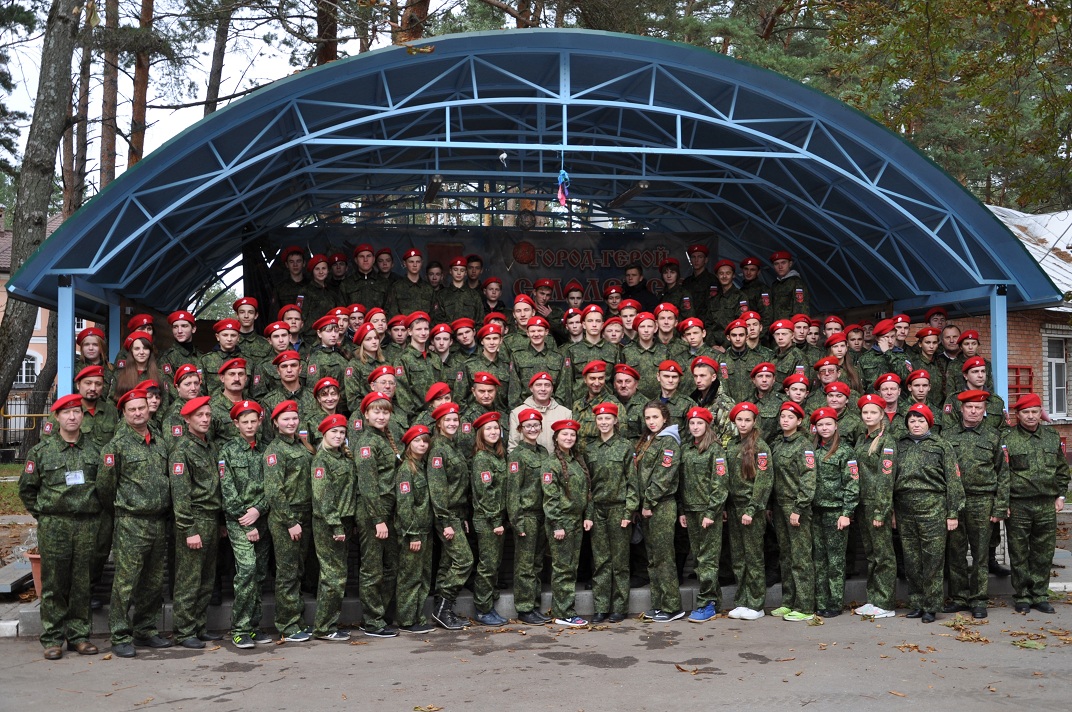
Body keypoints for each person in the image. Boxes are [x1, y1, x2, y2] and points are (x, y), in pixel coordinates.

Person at [20, 394, 102, 659]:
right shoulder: (41, 452)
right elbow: (27, 489)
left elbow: (104, 486)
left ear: (82, 416)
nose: (72, 417)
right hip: (55, 524)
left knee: (82, 582)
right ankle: (53, 638)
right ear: (56, 417)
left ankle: (79, 636)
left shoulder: (95, 449)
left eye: (76, 412)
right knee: (54, 582)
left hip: (87, 524)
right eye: (66, 413)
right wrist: (44, 514)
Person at [98, 389, 173, 658]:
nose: (139, 413)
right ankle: (119, 634)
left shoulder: (159, 441)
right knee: (126, 581)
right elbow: (106, 488)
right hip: (131, 521)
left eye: (142, 408)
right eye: (132, 410)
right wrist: (124, 509)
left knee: (153, 582)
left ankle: (145, 629)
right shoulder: (116, 447)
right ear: (124, 413)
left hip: (158, 521)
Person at [943, 390, 1009, 619]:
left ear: (984, 411)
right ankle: (960, 597)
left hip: (983, 501)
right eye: (969, 407)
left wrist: (1000, 506)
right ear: (961, 409)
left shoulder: (994, 437)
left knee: (981, 553)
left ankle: (979, 599)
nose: (973, 411)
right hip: (955, 501)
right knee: (955, 552)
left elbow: (1003, 473)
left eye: (978, 408)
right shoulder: (948, 436)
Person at [895, 403, 963, 622]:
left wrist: (952, 512)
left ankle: (931, 606)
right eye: (912, 421)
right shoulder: (900, 445)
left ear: (929, 422)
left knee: (932, 560)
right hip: (905, 508)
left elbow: (953, 480)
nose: (916, 424)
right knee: (912, 560)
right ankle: (916, 602)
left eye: (921, 420)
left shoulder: (941, 446)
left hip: (933, 507)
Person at [1004, 393, 1070, 614]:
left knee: (1043, 552)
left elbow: (1062, 470)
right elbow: (1002, 473)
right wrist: (1005, 502)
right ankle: (1022, 595)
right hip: (1019, 503)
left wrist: (1060, 496)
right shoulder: (1008, 439)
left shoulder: (1052, 437)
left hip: (1046, 504)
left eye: (1034, 412)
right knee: (1019, 551)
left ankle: (1040, 595)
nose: (1031, 416)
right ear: (1018, 415)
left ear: (1040, 413)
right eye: (1025, 412)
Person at [218, 400, 273, 648]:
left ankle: (253, 626)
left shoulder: (267, 450)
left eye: (254, 421)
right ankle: (239, 628)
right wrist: (247, 520)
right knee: (248, 569)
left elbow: (273, 487)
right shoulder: (227, 451)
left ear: (260, 421)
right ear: (236, 424)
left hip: (261, 518)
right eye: (245, 422)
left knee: (259, 574)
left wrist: (259, 510)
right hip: (239, 521)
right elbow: (227, 490)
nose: (250, 425)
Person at [263, 401, 315, 642]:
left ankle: (298, 619)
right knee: (287, 572)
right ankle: (287, 624)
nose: (291, 422)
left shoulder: (303, 446)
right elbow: (275, 492)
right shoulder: (275, 451)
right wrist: (290, 521)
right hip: (287, 517)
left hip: (304, 514)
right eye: (285, 419)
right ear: (275, 423)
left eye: (294, 418)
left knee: (298, 570)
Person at [628, 401, 685, 622]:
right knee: (653, 558)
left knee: (663, 557)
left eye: (655, 417)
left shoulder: (668, 441)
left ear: (664, 418)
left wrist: (648, 503)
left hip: (660, 506)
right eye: (648, 418)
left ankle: (672, 606)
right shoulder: (649, 441)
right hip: (648, 507)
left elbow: (663, 477)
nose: (651, 422)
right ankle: (659, 604)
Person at [352, 391, 402, 638]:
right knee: (373, 568)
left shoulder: (385, 438)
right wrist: (377, 519)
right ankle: (371, 621)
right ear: (366, 414)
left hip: (388, 511)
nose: (381, 416)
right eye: (376, 411)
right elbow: (368, 485)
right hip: (374, 513)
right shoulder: (367, 443)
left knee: (390, 566)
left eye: (385, 411)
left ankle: (381, 614)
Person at [580, 402, 633, 623]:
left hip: (619, 507)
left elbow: (632, 481)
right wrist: (589, 514)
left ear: (615, 421)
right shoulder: (589, 448)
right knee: (601, 560)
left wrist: (629, 511)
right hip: (598, 509)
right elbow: (588, 486)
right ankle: (601, 607)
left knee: (620, 561)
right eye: (600, 419)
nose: (603, 422)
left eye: (607, 419)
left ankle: (619, 607)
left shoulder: (625, 446)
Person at [678, 406, 729, 623]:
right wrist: (682, 510)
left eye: (699, 423)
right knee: (700, 559)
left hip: (708, 513)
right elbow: (682, 483)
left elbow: (720, 484)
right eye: (692, 423)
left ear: (707, 425)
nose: (695, 427)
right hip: (690, 511)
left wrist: (712, 511)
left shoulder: (715, 450)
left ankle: (705, 603)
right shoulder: (687, 449)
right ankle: (714, 603)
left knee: (707, 560)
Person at [427, 401, 474, 629]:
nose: (453, 423)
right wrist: (445, 521)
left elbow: (458, 486)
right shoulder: (438, 449)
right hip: (446, 516)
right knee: (465, 560)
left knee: (448, 563)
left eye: (456, 420)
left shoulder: (452, 446)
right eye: (448, 420)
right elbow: (437, 488)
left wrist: (462, 516)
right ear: (439, 423)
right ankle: (443, 608)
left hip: (456, 514)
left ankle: (442, 610)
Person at [541, 419, 592, 627]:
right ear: (556, 438)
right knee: (563, 568)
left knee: (571, 567)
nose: (569, 438)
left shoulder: (577, 461)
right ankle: (564, 612)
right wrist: (557, 525)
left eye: (572, 435)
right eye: (564, 435)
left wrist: (588, 515)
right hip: (562, 523)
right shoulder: (551, 463)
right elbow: (550, 498)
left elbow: (587, 492)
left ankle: (566, 609)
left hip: (576, 522)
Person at [311, 413, 357, 641]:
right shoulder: (322, 460)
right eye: (334, 432)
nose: (338, 436)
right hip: (330, 524)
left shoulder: (344, 458)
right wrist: (336, 525)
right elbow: (323, 497)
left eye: (341, 432)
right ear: (324, 434)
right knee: (333, 576)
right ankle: (324, 628)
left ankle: (327, 623)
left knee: (333, 575)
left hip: (344, 522)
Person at [725, 401, 773, 621]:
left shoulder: (760, 447)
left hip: (750, 508)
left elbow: (764, 482)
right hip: (734, 508)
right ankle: (742, 600)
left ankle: (756, 603)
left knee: (753, 557)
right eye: (739, 420)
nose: (743, 423)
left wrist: (752, 509)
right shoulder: (732, 445)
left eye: (747, 420)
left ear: (754, 422)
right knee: (738, 557)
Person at [768, 401, 816, 622]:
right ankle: (789, 601)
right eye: (783, 416)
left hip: (796, 506)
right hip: (779, 506)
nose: (785, 420)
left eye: (790, 417)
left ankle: (805, 605)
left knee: (800, 556)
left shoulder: (803, 445)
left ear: (799, 421)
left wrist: (799, 507)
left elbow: (808, 478)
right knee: (786, 556)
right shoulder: (778, 443)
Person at [851, 394, 898, 619]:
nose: (868, 416)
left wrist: (882, 510)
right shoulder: (863, 439)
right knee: (871, 554)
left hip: (877, 504)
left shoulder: (886, 441)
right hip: (863, 503)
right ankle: (874, 599)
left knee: (883, 555)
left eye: (873, 412)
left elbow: (885, 478)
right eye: (865, 413)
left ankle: (885, 602)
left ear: (882, 415)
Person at [809, 407, 857, 618]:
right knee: (819, 560)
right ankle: (821, 601)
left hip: (836, 512)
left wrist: (847, 512)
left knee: (835, 561)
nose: (825, 428)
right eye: (821, 425)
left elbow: (852, 483)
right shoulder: (811, 450)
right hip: (815, 511)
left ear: (836, 425)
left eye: (828, 424)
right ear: (815, 428)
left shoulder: (845, 451)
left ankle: (835, 603)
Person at [507, 409, 552, 625]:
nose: (532, 429)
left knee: (537, 563)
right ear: (520, 429)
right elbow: (513, 492)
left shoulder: (543, 452)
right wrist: (517, 521)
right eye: (528, 426)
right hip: (526, 516)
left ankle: (534, 605)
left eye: (536, 425)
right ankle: (524, 608)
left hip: (542, 514)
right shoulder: (517, 456)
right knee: (524, 565)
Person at [468, 412, 510, 626]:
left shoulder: (498, 455)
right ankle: (483, 610)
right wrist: (495, 521)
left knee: (494, 564)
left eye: (496, 428)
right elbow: (486, 494)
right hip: (488, 520)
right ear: (480, 434)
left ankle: (489, 604)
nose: (493, 432)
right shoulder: (482, 458)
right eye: (488, 429)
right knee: (487, 565)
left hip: (497, 519)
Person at [394, 424, 436, 633]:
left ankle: (418, 617)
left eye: (425, 441)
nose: (422, 444)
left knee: (423, 576)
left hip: (425, 530)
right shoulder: (406, 470)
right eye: (418, 441)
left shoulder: (423, 466)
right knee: (410, 577)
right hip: (414, 533)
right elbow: (404, 505)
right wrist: (412, 534)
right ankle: (407, 620)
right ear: (409, 444)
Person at [388, 248, 436, 316]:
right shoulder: (397, 287)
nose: (415, 265)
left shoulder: (429, 289)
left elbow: (434, 315)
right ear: (404, 263)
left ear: (422, 263)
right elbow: (392, 313)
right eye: (411, 262)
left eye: (418, 262)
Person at [768, 250, 810, 321]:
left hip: (790, 327)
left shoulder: (796, 283)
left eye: (783, 263)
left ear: (790, 264)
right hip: (777, 327)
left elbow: (801, 309)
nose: (780, 266)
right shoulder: (775, 285)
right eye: (776, 264)